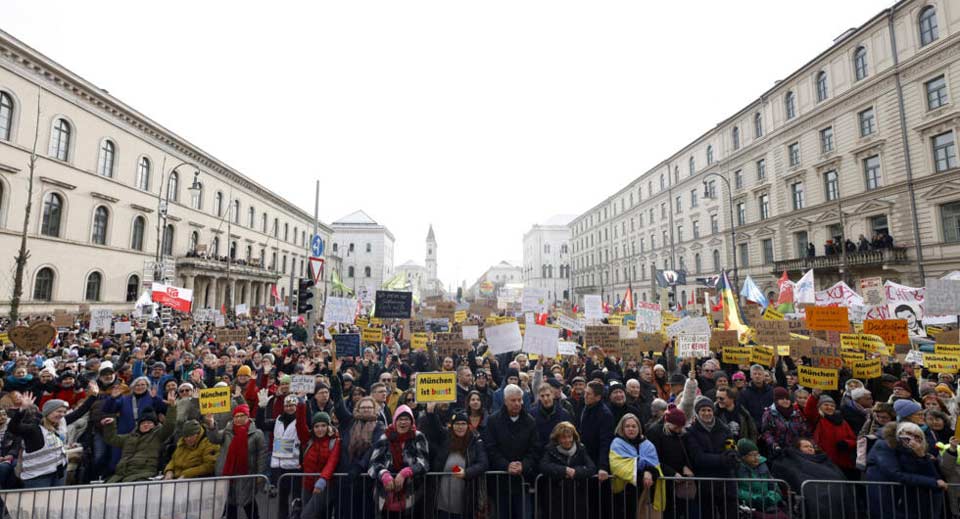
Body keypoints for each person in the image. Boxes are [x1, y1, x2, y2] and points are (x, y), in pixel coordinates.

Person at [9, 390, 95, 488]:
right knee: (39, 503)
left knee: (56, 501)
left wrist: (94, 396)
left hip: (59, 473)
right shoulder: (34, 429)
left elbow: (80, 411)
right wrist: (22, 410)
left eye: (64, 412)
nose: (62, 414)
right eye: (58, 411)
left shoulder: (61, 422)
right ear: (48, 412)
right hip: (38, 477)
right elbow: (13, 427)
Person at [865, 422, 946, 519]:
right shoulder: (885, 445)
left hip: (911, 502)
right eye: (908, 433)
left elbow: (935, 477)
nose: (912, 438)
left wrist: (922, 456)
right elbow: (896, 474)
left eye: (916, 436)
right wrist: (932, 482)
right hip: (888, 497)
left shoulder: (914, 451)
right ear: (900, 433)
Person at [419, 406, 488, 519]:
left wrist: (467, 472)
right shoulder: (446, 438)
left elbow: (483, 463)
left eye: (463, 424)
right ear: (452, 426)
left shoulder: (475, 442)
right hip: (442, 501)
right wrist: (430, 412)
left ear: (468, 426)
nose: (460, 427)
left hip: (465, 500)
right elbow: (435, 426)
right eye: (457, 424)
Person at [483, 384, 540, 519]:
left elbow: (535, 449)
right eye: (513, 400)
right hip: (500, 482)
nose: (517, 403)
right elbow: (491, 448)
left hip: (522, 482)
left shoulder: (530, 421)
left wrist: (523, 465)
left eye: (519, 400)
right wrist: (506, 465)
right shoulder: (493, 421)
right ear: (505, 401)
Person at [206, 404, 269, 519]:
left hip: (246, 474)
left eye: (242, 416)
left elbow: (262, 455)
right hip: (228, 474)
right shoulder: (227, 430)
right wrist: (211, 425)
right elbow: (214, 439)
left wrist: (260, 474)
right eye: (236, 416)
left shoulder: (257, 434)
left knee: (248, 502)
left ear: (248, 416)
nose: (238, 419)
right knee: (230, 504)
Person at [369, 405, 429, 518]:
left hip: (411, 494)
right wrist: (384, 474)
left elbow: (424, 463)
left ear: (412, 421)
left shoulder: (418, 437)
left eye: (407, 419)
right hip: (386, 496)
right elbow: (373, 464)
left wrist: (406, 472)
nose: (403, 422)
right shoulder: (385, 437)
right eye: (400, 419)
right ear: (395, 420)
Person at [101, 392, 177, 482]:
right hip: (121, 475)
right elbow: (111, 439)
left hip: (142, 474)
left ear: (154, 425)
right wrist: (109, 425)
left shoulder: (157, 435)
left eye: (149, 423)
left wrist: (172, 407)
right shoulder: (129, 437)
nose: (146, 425)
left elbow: (170, 425)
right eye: (143, 423)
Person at [684, 396, 738, 518]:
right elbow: (698, 457)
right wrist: (722, 459)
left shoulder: (724, 428)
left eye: (709, 410)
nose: (706, 413)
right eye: (703, 410)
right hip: (706, 484)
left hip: (726, 483)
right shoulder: (691, 432)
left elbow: (731, 448)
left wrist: (731, 456)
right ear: (697, 412)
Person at [609, 413, 664, 519]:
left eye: (634, 426)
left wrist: (649, 471)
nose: (631, 429)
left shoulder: (648, 445)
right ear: (622, 428)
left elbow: (656, 467)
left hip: (644, 492)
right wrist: (644, 471)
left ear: (639, 428)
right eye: (627, 426)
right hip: (623, 494)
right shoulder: (617, 443)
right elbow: (617, 466)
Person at [646, 404, 696, 519]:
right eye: (676, 427)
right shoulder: (654, 432)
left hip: (681, 479)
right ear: (667, 423)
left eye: (680, 427)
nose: (678, 430)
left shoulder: (682, 434)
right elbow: (654, 459)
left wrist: (687, 466)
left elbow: (687, 453)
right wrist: (672, 473)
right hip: (665, 479)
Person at [539, 421, 596, 519]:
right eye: (564, 437)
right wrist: (564, 470)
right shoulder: (550, 450)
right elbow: (543, 466)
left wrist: (575, 472)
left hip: (577, 497)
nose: (567, 440)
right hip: (556, 498)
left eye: (570, 437)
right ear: (558, 439)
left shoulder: (581, 449)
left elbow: (591, 468)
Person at [802, 392, 857, 479]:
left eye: (832, 405)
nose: (829, 407)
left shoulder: (843, 422)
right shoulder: (817, 419)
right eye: (826, 405)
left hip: (843, 462)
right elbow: (809, 410)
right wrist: (814, 395)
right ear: (819, 407)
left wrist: (847, 443)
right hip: (825, 461)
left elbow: (853, 439)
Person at [300, 412, 341, 519]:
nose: (320, 429)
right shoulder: (308, 440)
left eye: (323, 425)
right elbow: (300, 424)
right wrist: (301, 403)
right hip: (307, 485)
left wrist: (322, 480)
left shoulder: (334, 441)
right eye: (316, 426)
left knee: (306, 516)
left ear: (328, 426)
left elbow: (331, 462)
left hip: (325, 486)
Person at [734, 438, 786, 518]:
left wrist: (771, 498)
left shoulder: (763, 465)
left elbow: (774, 486)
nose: (756, 458)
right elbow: (737, 491)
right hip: (748, 507)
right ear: (743, 457)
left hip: (768, 506)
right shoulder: (737, 469)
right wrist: (758, 499)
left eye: (757, 454)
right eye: (752, 455)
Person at [760, 386, 809, 457]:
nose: (785, 401)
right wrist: (774, 445)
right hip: (778, 452)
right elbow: (766, 433)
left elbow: (803, 431)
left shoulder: (796, 414)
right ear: (776, 400)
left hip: (796, 451)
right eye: (782, 399)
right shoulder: (769, 414)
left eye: (787, 399)